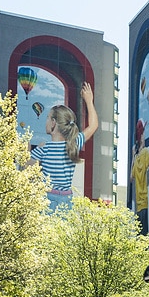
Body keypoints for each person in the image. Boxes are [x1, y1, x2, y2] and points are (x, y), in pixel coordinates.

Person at [29, 82, 98, 210]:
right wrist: (89, 100)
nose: (46, 121)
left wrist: (28, 150)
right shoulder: (73, 144)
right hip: (66, 201)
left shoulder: (44, 149)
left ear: (53, 123)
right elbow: (93, 125)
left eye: (48, 118)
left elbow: (27, 172)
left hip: (46, 199)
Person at [130, 119, 149, 234]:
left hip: (138, 204)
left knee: (139, 235)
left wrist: (132, 157)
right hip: (144, 201)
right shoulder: (144, 153)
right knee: (145, 234)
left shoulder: (137, 157)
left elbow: (131, 177)